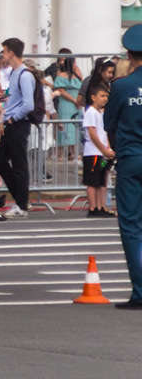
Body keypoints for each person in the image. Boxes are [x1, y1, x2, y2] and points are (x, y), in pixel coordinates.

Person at [104, 24, 142, 309]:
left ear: (130, 55)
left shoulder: (120, 86)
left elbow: (109, 125)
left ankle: (140, 291)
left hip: (130, 159)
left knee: (131, 225)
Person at [0, 37, 35, 220]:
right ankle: (21, 199)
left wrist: (11, 119)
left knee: (19, 164)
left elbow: (28, 104)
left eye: (3, 51)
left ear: (11, 53)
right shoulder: (14, 73)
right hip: (10, 123)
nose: (2, 55)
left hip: (18, 124)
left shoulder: (25, 75)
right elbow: (14, 97)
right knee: (0, 161)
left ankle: (21, 204)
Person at [82, 83, 115, 218]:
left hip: (102, 152)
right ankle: (93, 207)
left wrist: (108, 148)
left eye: (106, 96)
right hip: (93, 152)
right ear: (93, 97)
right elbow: (93, 134)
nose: (105, 98)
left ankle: (101, 207)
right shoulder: (91, 112)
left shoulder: (102, 112)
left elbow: (104, 132)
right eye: (102, 96)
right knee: (92, 181)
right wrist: (103, 149)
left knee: (102, 181)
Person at [49, 50, 82, 161]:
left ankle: (74, 151)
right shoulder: (61, 75)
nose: (75, 64)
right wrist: (74, 100)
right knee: (65, 126)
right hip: (67, 102)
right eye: (74, 62)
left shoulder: (77, 73)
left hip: (77, 103)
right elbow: (61, 91)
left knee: (75, 127)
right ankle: (61, 152)